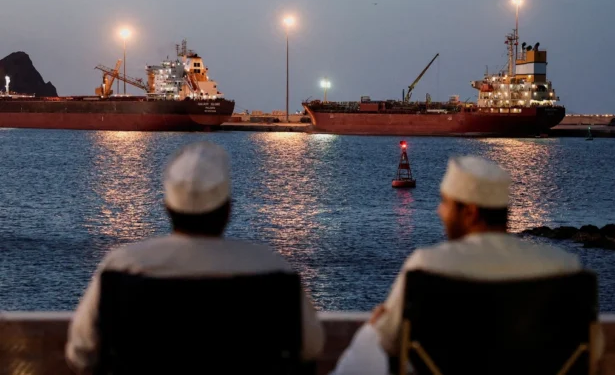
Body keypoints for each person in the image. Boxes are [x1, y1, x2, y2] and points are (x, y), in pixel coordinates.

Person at [65, 141, 324, 373]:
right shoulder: (275, 270)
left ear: (167, 207)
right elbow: (311, 347)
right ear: (228, 209)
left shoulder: (120, 267)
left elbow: (81, 350)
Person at [332, 155, 600, 374]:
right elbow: (591, 350)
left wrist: (378, 324)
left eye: (446, 203)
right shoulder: (566, 268)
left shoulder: (427, 266)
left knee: (371, 337)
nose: (439, 211)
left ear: (470, 212)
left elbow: (389, 343)